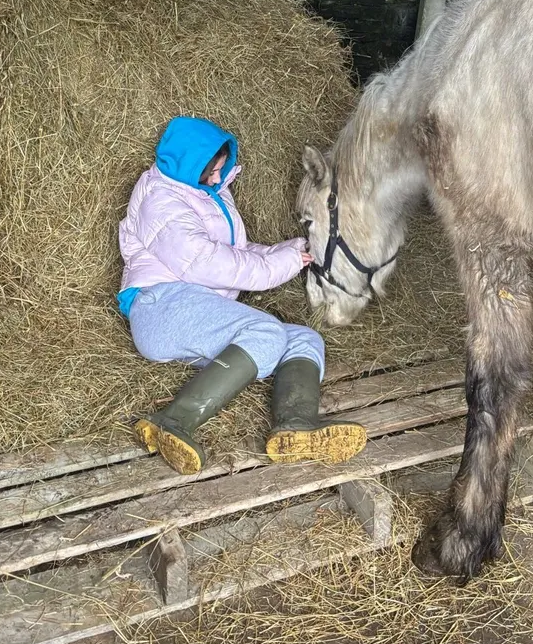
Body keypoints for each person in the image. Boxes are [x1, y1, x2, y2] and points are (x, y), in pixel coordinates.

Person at [118, 116, 367, 476]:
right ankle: (172, 420)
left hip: (195, 306)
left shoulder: (200, 189)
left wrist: (287, 252)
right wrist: (276, 267)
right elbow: (204, 261)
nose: (218, 179)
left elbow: (233, 250)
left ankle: (295, 425)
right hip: (161, 305)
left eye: (220, 170)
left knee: (303, 338)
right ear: (191, 164)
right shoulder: (161, 200)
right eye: (210, 172)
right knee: (265, 333)